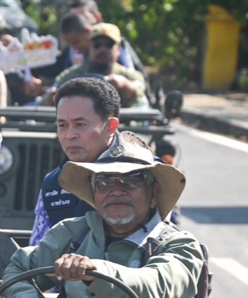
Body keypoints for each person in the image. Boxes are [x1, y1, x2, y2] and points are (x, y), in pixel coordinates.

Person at [0, 147, 204, 298]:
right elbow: (19, 267)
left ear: (154, 193)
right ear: (93, 194)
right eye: (104, 182)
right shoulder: (74, 233)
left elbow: (157, 284)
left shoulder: (178, 244)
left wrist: (95, 270)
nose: (116, 191)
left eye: (132, 180)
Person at [30, 77, 162, 245]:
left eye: (80, 124)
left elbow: (164, 246)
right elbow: (37, 254)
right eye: (62, 125)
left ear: (111, 127)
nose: (69, 135)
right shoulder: (53, 183)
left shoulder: (151, 173)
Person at [53, 22, 148, 106]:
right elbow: (51, 95)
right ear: (89, 48)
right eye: (97, 45)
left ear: (118, 49)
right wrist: (52, 94)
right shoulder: (71, 75)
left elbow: (140, 92)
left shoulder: (130, 75)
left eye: (109, 45)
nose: (103, 49)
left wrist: (124, 84)